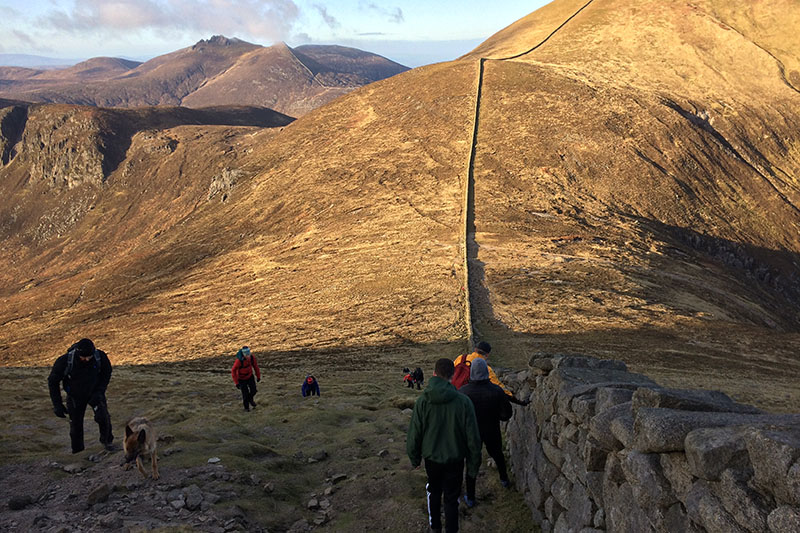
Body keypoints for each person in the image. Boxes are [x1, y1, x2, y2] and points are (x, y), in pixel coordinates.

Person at [407, 358, 481, 533]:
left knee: (433, 491)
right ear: (452, 375)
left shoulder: (423, 401)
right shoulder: (463, 402)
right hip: (455, 459)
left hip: (432, 458)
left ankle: (435, 527)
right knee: (451, 497)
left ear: (434, 373)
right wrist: (473, 465)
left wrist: (415, 457)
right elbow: (473, 438)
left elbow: (415, 432)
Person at [458, 357, 513, 506]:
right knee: (497, 454)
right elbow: (507, 413)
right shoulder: (496, 390)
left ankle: (470, 497)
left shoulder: (463, 392)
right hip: (492, 429)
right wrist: (498, 417)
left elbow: (458, 415)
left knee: (471, 462)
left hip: (471, 432)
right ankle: (504, 479)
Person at [48, 338, 114, 454]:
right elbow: (53, 381)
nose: (87, 359)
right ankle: (78, 452)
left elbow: (106, 373)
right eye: (83, 357)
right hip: (75, 395)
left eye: (89, 357)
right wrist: (57, 404)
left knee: (103, 417)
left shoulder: (100, 357)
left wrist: (99, 391)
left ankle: (107, 442)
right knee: (76, 425)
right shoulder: (65, 361)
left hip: (95, 393)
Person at [454, 341, 529, 406]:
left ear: (475, 349)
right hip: (469, 399)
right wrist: (516, 400)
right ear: (487, 355)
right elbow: (498, 386)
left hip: (455, 394)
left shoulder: (461, 358)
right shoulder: (486, 369)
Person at [231, 346, 260, 411]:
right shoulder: (239, 361)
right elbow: (233, 371)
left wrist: (258, 376)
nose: (248, 356)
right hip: (241, 379)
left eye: (248, 353)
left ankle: (250, 400)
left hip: (250, 376)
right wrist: (237, 383)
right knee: (245, 394)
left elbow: (255, 367)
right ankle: (246, 408)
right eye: (246, 354)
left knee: (254, 390)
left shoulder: (252, 358)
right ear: (243, 354)